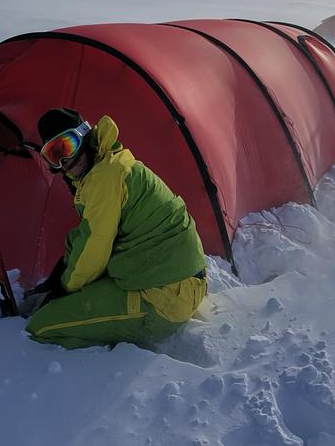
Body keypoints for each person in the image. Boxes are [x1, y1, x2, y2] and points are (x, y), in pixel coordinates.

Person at [22, 108, 207, 349]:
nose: (65, 161)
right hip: (177, 281)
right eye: (54, 154)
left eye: (68, 145)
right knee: (76, 257)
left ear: (85, 135)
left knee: (41, 327)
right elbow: (85, 237)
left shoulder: (104, 178)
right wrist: (58, 278)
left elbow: (94, 250)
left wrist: (63, 290)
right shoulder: (111, 163)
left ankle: (102, 361)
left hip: (165, 298)